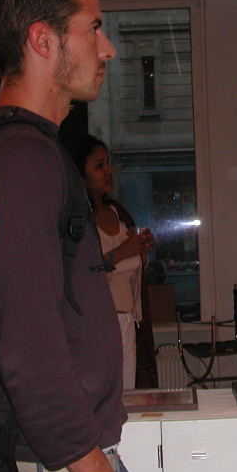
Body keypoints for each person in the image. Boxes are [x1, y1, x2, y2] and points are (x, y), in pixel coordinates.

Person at [0, 0, 141, 472]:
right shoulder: (24, 159)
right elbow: (28, 344)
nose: (107, 49)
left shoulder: (29, 152)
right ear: (43, 40)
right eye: (93, 29)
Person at [67, 135, 155, 388]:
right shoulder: (76, 221)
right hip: (95, 325)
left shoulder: (119, 214)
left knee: (127, 396)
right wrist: (124, 251)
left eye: (107, 163)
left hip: (127, 321)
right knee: (101, 396)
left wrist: (142, 251)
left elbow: (130, 272)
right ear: (80, 174)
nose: (108, 171)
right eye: (99, 165)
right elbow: (80, 272)